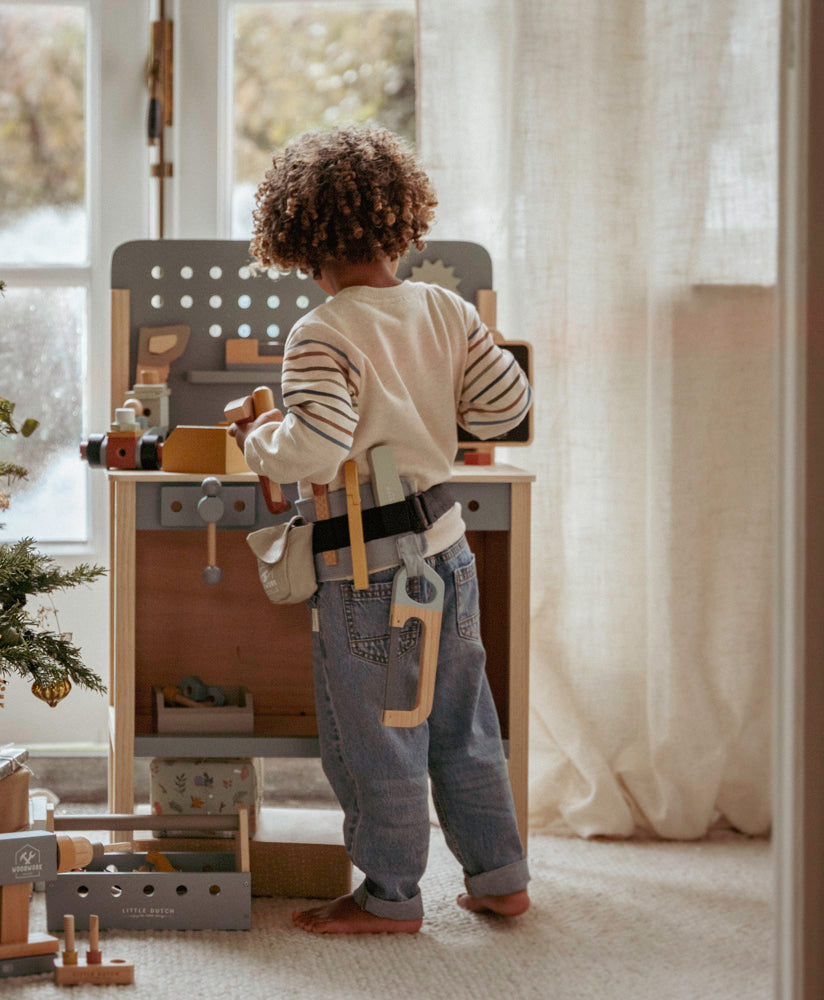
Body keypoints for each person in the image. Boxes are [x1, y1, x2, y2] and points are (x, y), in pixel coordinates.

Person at [230, 126, 533, 934]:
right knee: (463, 724)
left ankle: (389, 897)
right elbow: (507, 407)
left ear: (297, 239)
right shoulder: (446, 308)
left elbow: (317, 449)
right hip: (446, 551)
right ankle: (500, 876)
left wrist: (259, 440)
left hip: (366, 572)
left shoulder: (322, 331)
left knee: (378, 737)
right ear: (401, 220)